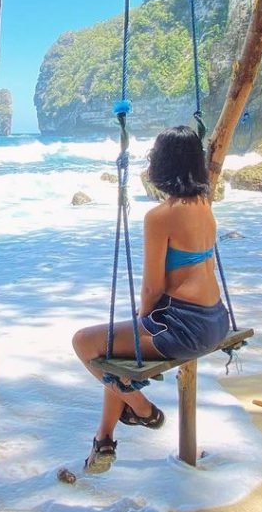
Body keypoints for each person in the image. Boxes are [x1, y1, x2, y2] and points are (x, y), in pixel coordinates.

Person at [71, 125, 231, 474]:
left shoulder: (160, 217)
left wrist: (143, 320)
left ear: (163, 163)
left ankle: (143, 410)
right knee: (117, 352)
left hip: (188, 328)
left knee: (85, 342)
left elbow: (151, 289)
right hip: (217, 319)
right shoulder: (204, 203)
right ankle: (104, 439)